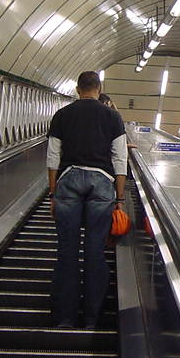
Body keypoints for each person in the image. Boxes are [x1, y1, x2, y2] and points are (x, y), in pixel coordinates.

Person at [47, 71, 128, 328]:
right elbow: (120, 159)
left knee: (67, 252)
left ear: (77, 89)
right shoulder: (113, 116)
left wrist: (53, 194)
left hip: (68, 180)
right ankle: (92, 318)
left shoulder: (62, 115)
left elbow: (53, 157)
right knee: (95, 253)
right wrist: (120, 199)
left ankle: (65, 318)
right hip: (102, 183)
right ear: (99, 88)